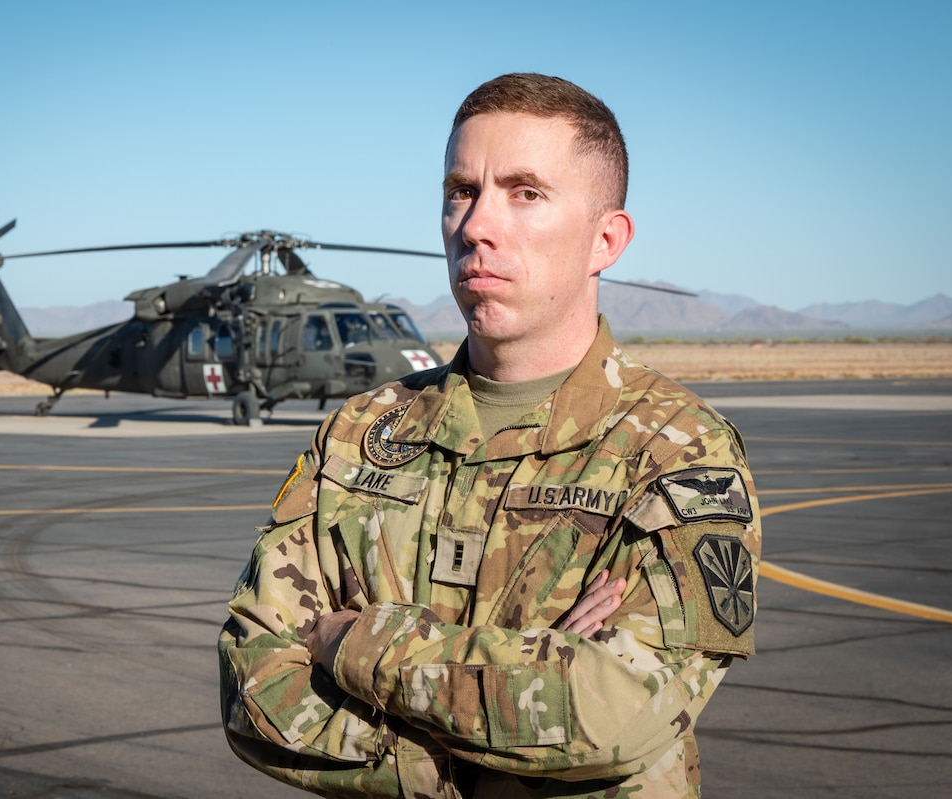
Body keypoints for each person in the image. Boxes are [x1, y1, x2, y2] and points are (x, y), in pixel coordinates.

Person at [219, 73, 760, 798]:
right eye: (460, 190)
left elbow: (619, 712)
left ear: (606, 239)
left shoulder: (677, 451)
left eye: (524, 192)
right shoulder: (359, 435)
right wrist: (503, 720)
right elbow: (252, 686)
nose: (476, 224)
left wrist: (350, 641)